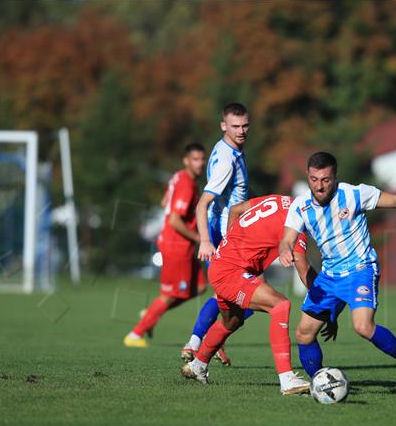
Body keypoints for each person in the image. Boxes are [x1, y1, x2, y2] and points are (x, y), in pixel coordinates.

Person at [278, 151, 396, 392]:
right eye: (314, 180)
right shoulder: (300, 205)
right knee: (304, 333)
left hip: (360, 269)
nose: (319, 186)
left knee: (363, 326)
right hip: (329, 277)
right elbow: (287, 239)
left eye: (325, 180)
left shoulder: (355, 194)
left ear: (335, 177)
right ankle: (323, 383)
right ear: (308, 176)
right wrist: (285, 250)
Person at [182, 194, 328, 395]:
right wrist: (326, 303)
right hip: (230, 272)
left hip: (221, 263)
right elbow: (304, 270)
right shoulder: (296, 225)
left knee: (231, 322)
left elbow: (236, 209)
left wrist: (233, 244)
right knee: (280, 305)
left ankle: (198, 365)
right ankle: (287, 379)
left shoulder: (281, 200)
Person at [179, 102, 252, 363]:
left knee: (233, 298)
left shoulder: (227, 147)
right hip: (226, 234)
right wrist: (206, 242)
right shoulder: (226, 162)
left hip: (226, 230)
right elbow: (203, 203)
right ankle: (200, 340)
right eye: (235, 126)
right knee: (251, 299)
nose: (241, 130)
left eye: (244, 125)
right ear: (224, 126)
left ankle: (204, 340)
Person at [123, 143, 208, 347]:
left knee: (200, 286)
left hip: (180, 245)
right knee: (170, 295)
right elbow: (174, 220)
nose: (199, 163)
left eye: (201, 159)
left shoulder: (179, 176)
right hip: (176, 245)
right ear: (186, 160)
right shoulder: (187, 184)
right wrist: (199, 238)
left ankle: (153, 311)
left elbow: (164, 203)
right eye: (195, 159)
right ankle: (135, 335)